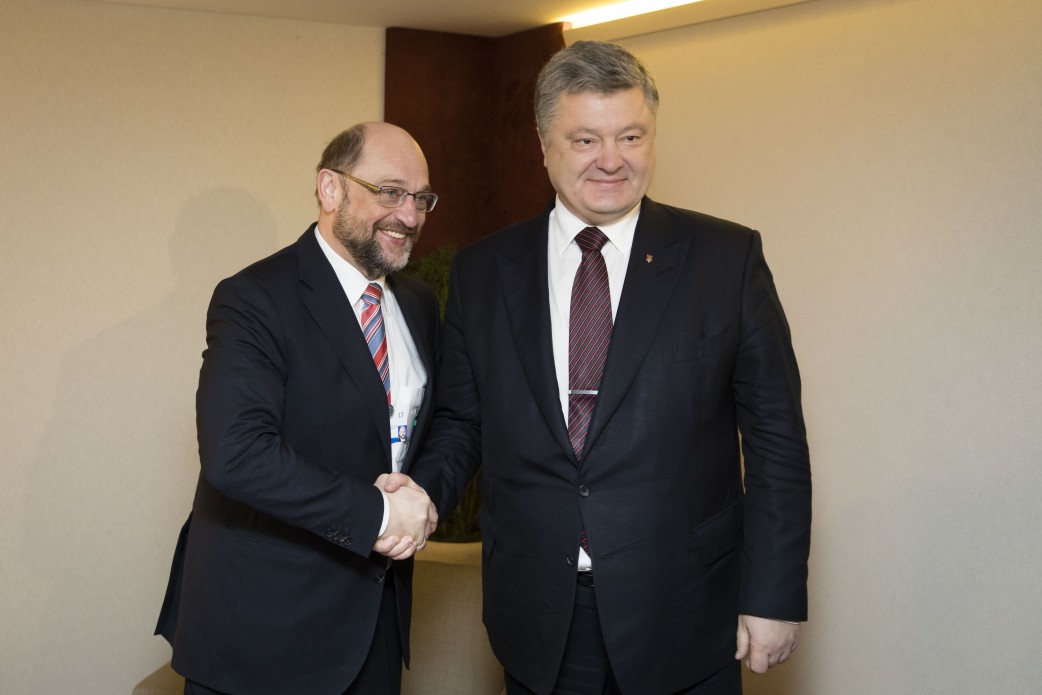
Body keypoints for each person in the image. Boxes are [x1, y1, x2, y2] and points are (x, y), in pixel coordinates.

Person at [407, 41, 812, 694]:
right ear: (544, 145)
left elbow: (777, 441)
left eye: (631, 136)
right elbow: (461, 422)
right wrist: (417, 498)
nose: (612, 159)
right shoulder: (484, 271)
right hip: (538, 617)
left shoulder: (725, 260)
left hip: (685, 611)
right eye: (585, 139)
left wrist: (773, 593)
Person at [155, 122, 441, 695]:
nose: (409, 215)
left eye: (421, 198)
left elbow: (433, 431)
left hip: (375, 626)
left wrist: (420, 503)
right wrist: (378, 516)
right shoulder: (254, 297)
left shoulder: (417, 302)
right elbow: (237, 454)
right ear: (330, 189)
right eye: (389, 192)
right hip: (262, 630)